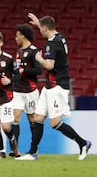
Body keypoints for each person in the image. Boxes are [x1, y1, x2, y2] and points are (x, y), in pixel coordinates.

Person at [16, 13, 91, 161]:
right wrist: (38, 23)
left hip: (58, 85)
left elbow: (49, 65)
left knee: (55, 123)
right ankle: (32, 153)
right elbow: (47, 28)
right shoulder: (60, 37)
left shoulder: (52, 43)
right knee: (38, 117)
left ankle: (83, 143)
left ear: (45, 29)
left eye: (41, 29)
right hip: (50, 85)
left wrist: (38, 58)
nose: (40, 33)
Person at [11, 24, 42, 157]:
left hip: (30, 91)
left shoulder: (34, 51)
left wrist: (24, 70)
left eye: (17, 35)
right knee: (15, 118)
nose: (15, 38)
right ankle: (15, 150)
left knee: (32, 119)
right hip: (17, 90)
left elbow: (39, 70)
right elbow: (17, 71)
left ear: (23, 35)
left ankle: (33, 149)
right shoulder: (18, 52)